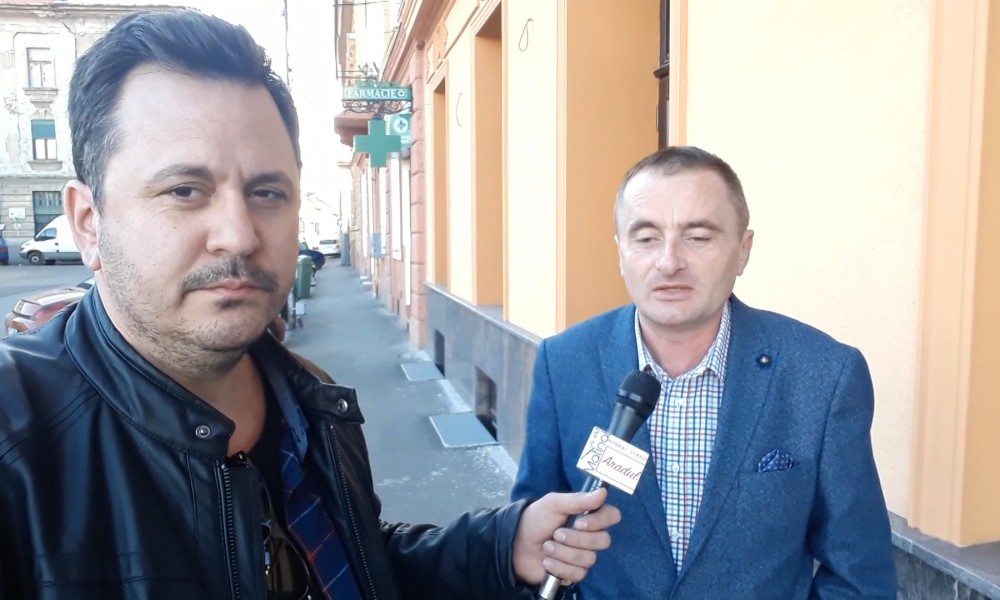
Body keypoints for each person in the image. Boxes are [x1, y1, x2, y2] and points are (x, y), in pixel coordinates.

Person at [0, 10, 620, 599]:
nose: (240, 235)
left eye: (267, 192)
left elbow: (351, 565)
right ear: (88, 221)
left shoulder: (309, 399)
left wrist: (497, 548)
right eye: (185, 190)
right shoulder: (17, 444)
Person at [511, 146, 897, 598]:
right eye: (646, 238)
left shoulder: (823, 375)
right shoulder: (564, 363)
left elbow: (859, 577)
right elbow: (528, 543)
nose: (669, 261)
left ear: (742, 251)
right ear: (620, 253)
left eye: (698, 237)